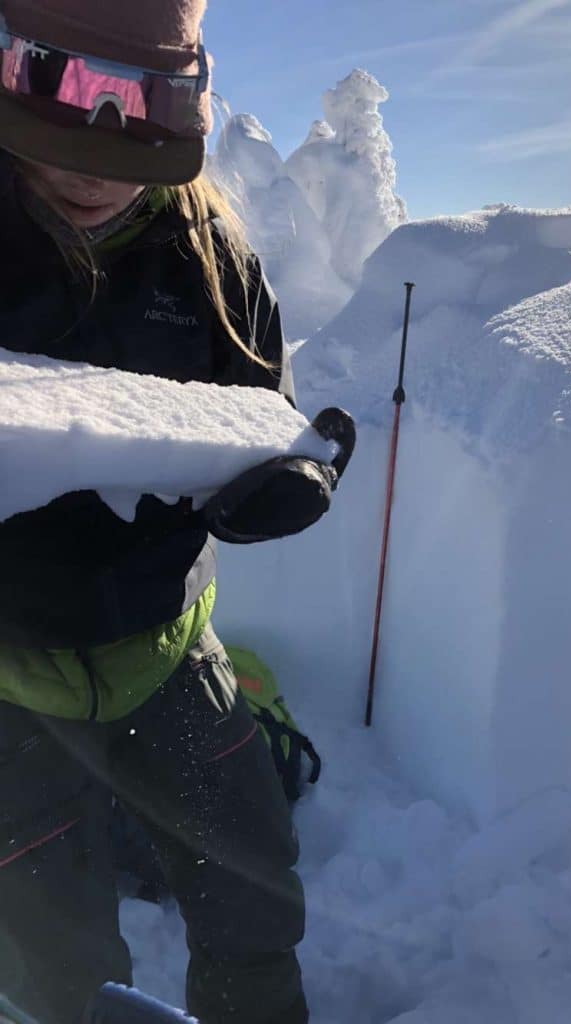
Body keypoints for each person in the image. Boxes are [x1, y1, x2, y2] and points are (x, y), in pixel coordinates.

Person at [0, 1, 316, 1022]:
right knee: (56, 960)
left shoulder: (210, 262)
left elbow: (263, 413)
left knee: (255, 898)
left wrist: (283, 478)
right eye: (63, 96)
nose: (91, 160)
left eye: (135, 106)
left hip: (169, 651)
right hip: (10, 679)